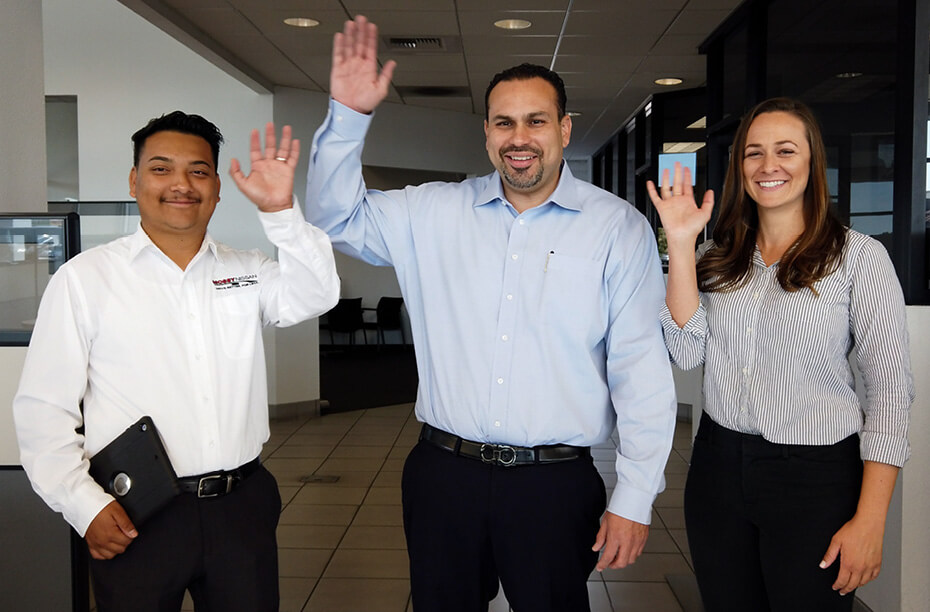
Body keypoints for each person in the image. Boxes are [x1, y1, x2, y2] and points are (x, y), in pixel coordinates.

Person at [304, 16, 678, 612]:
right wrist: (348, 117)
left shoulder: (617, 228)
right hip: (443, 477)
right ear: (486, 133)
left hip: (554, 486)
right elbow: (333, 219)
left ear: (564, 128)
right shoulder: (431, 212)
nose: (518, 137)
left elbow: (640, 368)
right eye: (504, 122)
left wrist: (634, 497)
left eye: (536, 120)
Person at [14, 111, 339, 612]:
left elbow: (317, 293)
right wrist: (84, 505)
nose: (181, 184)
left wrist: (282, 212)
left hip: (241, 505)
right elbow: (43, 410)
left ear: (217, 187)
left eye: (198, 170)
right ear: (134, 181)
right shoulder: (85, 280)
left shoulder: (246, 271)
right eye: (161, 168)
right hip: (135, 510)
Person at [648, 97, 913, 612]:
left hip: (815, 478)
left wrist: (871, 519)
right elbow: (685, 352)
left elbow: (890, 393)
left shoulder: (858, 257)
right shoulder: (714, 256)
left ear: (813, 162)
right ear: (739, 166)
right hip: (718, 469)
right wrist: (680, 244)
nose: (768, 166)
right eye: (754, 152)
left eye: (786, 151)